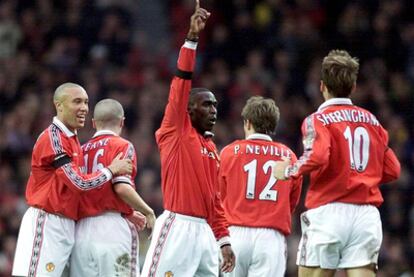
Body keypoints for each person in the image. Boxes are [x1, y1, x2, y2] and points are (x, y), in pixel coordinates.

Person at [273, 50, 401, 277]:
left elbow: (318, 155)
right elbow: (393, 169)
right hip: (366, 215)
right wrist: (363, 176)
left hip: (329, 212)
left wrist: (288, 170)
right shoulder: (373, 121)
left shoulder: (317, 120)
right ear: (353, 88)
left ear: (322, 86)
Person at [141, 1, 235, 276]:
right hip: (177, 227)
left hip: (205, 233)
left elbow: (215, 201)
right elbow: (181, 83)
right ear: (188, 109)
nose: (214, 110)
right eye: (207, 105)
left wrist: (224, 241)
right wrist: (192, 39)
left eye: (216, 105)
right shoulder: (176, 131)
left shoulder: (211, 148)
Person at [12, 83, 132, 277]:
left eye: (86, 102)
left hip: (68, 225)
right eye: (77, 102)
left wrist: (119, 209)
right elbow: (79, 183)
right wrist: (111, 170)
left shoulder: (73, 140)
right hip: (47, 222)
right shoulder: (54, 138)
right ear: (59, 105)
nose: (84, 108)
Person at [70, 99, 156, 276]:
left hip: (80, 232)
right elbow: (121, 187)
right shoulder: (122, 146)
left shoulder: (80, 150)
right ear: (122, 121)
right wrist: (148, 212)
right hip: (112, 231)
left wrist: (128, 212)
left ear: (93, 123)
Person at [219, 96, 303, 277]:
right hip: (270, 237)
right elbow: (291, 203)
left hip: (235, 234)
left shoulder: (229, 153)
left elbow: (219, 198)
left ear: (247, 123)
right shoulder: (289, 157)